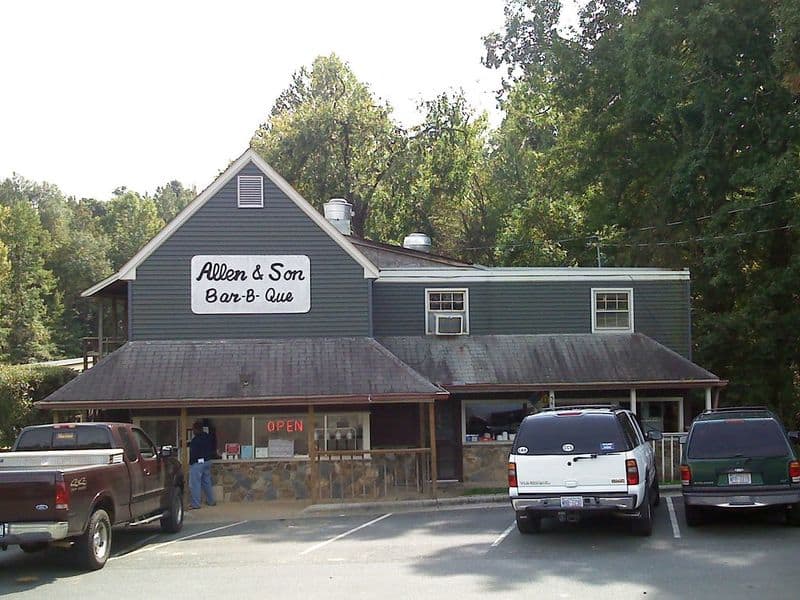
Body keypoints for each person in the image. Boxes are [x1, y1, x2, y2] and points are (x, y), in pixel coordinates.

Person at [188, 421, 216, 509]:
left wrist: (191, 463)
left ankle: (196, 504)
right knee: (207, 482)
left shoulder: (195, 440)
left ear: (196, 429)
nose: (193, 431)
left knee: (195, 484)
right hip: (207, 461)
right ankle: (211, 501)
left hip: (197, 463)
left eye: (193, 429)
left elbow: (193, 453)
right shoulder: (208, 437)